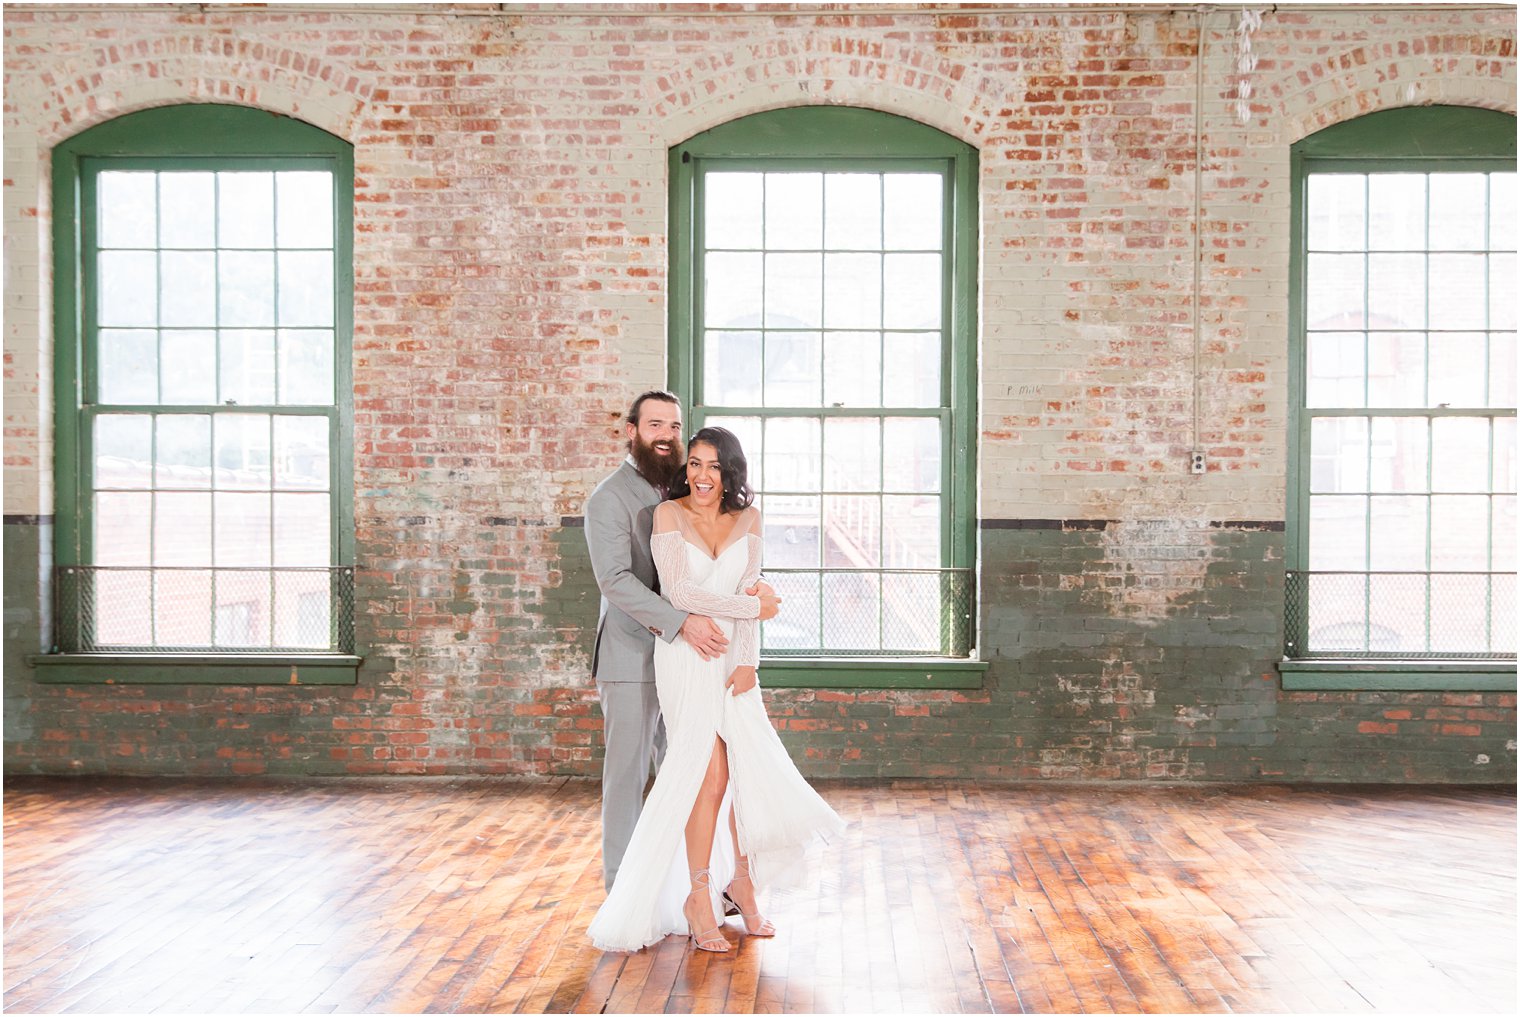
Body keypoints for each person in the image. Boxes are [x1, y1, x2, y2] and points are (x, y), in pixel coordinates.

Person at [587, 426, 846, 954]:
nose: (702, 476)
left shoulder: (750, 519)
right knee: (706, 777)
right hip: (687, 656)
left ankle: (743, 880)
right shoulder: (667, 515)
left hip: (733, 661)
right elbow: (680, 591)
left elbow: (749, 586)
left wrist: (750, 660)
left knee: (743, 772)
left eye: (714, 467)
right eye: (696, 465)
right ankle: (698, 894)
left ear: (730, 473)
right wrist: (754, 606)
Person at [584, 390, 729, 891]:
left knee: (688, 769)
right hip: (631, 658)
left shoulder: (686, 491)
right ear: (632, 431)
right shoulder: (608, 498)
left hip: (687, 660)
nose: (666, 435)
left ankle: (691, 885)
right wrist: (682, 622)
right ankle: (622, 894)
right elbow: (615, 581)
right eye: (655, 425)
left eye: (673, 426)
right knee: (627, 777)